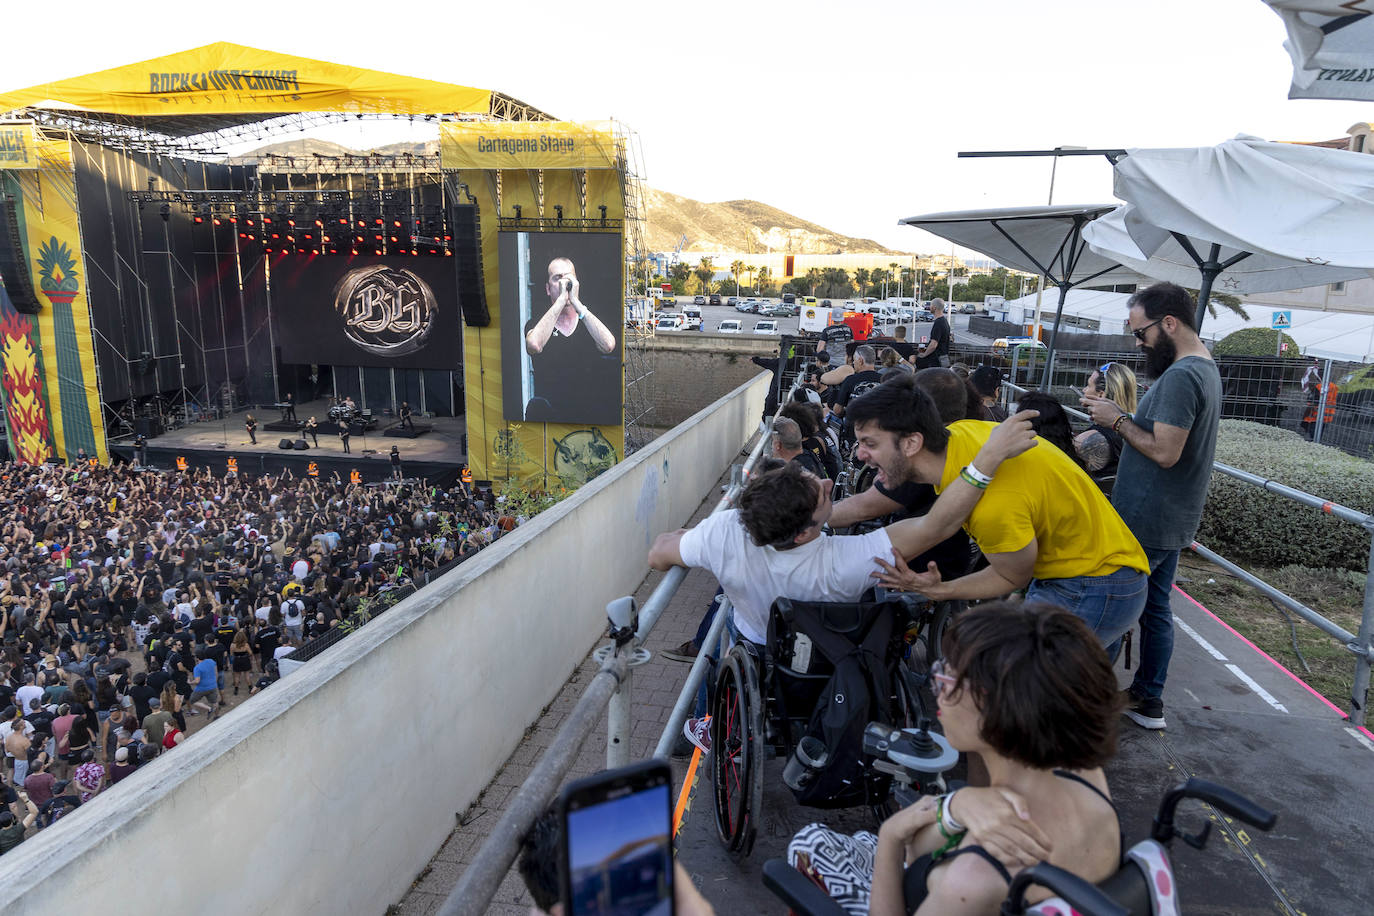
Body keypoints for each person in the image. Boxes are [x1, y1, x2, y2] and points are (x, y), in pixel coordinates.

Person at [651, 411, 1039, 752]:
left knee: (727, 626)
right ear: (804, 533)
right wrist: (985, 460)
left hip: (760, 649)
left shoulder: (726, 532)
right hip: (832, 659)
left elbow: (659, 553)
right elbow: (938, 524)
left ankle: (713, 723)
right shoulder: (847, 561)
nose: (825, 485)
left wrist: (696, 534)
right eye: (819, 493)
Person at [823, 601, 1122, 916]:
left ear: (996, 708)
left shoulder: (972, 880)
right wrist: (956, 804)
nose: (936, 686)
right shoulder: (1084, 772)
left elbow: (915, 855)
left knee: (812, 842)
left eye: (949, 676)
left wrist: (890, 835)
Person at [859, 376, 1149, 648]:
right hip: (1096, 575)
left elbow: (1013, 577)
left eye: (870, 444)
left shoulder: (993, 508)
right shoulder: (958, 435)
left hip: (1092, 587)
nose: (859, 455)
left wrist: (941, 590)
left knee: (1014, 690)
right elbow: (937, 523)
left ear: (912, 443)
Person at [1081, 282, 1222, 730]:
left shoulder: (1182, 375)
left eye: (1141, 334)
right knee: (1155, 609)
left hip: (1148, 518)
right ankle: (1147, 700)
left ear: (1169, 323)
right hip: (1170, 517)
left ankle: (1086, 710)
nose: (1138, 344)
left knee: (1109, 608)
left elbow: (1165, 451)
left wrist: (1115, 419)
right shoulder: (1204, 367)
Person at [522, 256, 618, 421]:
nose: (563, 284)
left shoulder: (589, 321)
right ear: (547, 288)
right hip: (551, 417)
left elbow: (608, 345)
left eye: (568, 278)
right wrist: (560, 301)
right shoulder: (536, 323)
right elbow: (534, 345)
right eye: (557, 278)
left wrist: (575, 301)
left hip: (588, 417)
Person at [1074, 362, 1138, 479]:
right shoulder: (1138, 431)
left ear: (1100, 395)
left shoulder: (1089, 440)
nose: (1084, 390)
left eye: (1088, 385)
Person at [916, 298, 951, 369]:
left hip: (936, 361)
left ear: (934, 307)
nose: (929, 307)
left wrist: (924, 354)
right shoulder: (944, 321)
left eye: (931, 305)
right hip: (942, 358)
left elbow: (934, 344)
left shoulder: (938, 323)